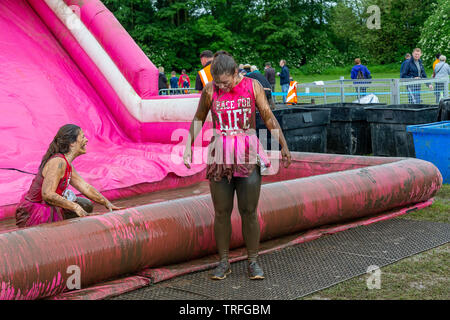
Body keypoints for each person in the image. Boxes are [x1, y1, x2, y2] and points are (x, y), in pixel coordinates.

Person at [183, 51, 291, 280]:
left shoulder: (252, 86)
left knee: (248, 211)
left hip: (247, 151)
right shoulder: (210, 90)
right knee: (221, 212)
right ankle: (223, 262)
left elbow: (268, 116)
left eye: (226, 82)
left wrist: (283, 144)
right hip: (220, 153)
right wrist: (187, 146)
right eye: (218, 82)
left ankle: (253, 261)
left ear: (235, 73)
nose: (222, 87)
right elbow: (199, 118)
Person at [15, 124, 122, 227]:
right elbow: (47, 194)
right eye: (83, 137)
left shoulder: (66, 163)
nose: (86, 140)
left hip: (49, 206)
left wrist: (107, 203)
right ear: (72, 143)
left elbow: (85, 187)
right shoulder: (58, 162)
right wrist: (74, 206)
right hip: (37, 212)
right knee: (79, 206)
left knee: (85, 204)